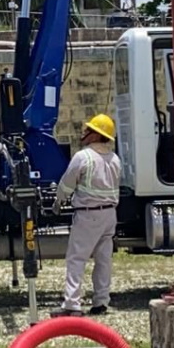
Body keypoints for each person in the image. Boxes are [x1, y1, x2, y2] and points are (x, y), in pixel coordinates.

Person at [50, 114, 122, 318]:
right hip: (109, 215)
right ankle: (101, 302)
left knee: (76, 259)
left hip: (88, 215)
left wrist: (58, 200)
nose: (84, 133)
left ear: (96, 135)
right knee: (103, 260)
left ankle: (72, 304)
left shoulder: (84, 157)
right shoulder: (114, 159)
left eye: (88, 130)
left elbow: (67, 182)